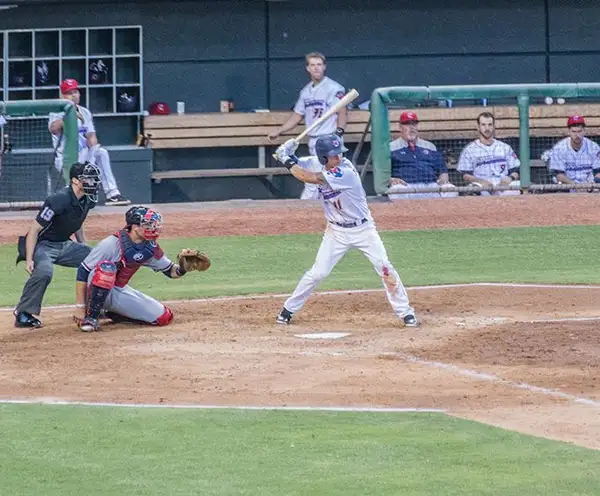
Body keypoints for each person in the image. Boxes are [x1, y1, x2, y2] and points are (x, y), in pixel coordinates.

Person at [272, 134, 418, 327]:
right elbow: (301, 165)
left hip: (363, 229)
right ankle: (287, 310)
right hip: (336, 232)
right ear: (323, 158)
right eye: (334, 155)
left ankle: (406, 312)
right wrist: (289, 154)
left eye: (339, 153)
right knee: (318, 273)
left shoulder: (345, 171)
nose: (338, 157)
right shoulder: (317, 163)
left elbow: (305, 175)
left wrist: (285, 159)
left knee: (384, 267)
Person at [72, 206, 190, 332]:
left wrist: (184, 268)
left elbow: (170, 271)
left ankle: (114, 314)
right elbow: (83, 270)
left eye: (153, 225)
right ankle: (91, 317)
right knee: (106, 269)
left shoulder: (149, 248)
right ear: (134, 227)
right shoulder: (111, 244)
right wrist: (80, 306)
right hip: (93, 288)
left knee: (163, 317)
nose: (153, 228)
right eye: (148, 225)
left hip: (117, 290)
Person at [13, 162, 101, 328]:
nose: (93, 182)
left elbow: (78, 221)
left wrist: (84, 246)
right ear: (75, 181)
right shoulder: (58, 199)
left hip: (65, 245)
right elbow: (34, 230)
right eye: (88, 178)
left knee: (99, 260)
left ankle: (96, 306)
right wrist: (30, 259)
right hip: (42, 245)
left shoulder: (88, 199)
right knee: (45, 271)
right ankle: (23, 313)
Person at [267, 52, 347, 200]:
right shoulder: (305, 92)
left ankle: (306, 209)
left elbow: (342, 112)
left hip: (329, 140)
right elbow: (297, 116)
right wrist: (279, 131)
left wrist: (338, 133)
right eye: (312, 65)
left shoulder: (334, 88)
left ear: (324, 67)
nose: (316, 68)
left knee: (328, 179)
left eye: (319, 65)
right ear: (307, 68)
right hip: (314, 141)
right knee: (317, 180)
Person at [49, 78, 130, 206]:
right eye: (69, 93)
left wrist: (92, 152)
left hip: (83, 155)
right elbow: (54, 129)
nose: (74, 95)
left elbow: (92, 136)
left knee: (101, 152)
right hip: (66, 158)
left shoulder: (84, 112)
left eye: (75, 92)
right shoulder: (57, 111)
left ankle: (112, 195)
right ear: (62, 95)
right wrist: (69, 117)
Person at [387, 111, 458, 200]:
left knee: (450, 189)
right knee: (395, 191)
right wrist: (391, 179)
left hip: (430, 186)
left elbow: (442, 170)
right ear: (400, 127)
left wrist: (443, 177)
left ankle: (440, 214)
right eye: (407, 124)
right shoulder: (391, 148)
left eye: (414, 124)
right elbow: (383, 174)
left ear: (418, 127)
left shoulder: (430, 146)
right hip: (406, 187)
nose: (411, 127)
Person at [457, 112, 521, 196]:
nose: (487, 128)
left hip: (503, 184)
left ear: (494, 127)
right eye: (483, 125)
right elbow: (466, 175)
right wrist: (481, 181)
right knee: (473, 190)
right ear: (478, 127)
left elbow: (516, 170)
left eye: (490, 125)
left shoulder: (505, 147)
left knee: (523, 185)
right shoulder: (469, 150)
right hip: (481, 185)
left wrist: (509, 178)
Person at [546, 115, 600, 187]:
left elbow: (598, 172)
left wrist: (593, 183)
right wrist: (576, 186)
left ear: (584, 131)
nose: (577, 135)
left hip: (590, 187)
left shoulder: (594, 147)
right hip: (567, 188)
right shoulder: (559, 148)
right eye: (574, 131)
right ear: (569, 132)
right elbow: (559, 175)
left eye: (579, 131)